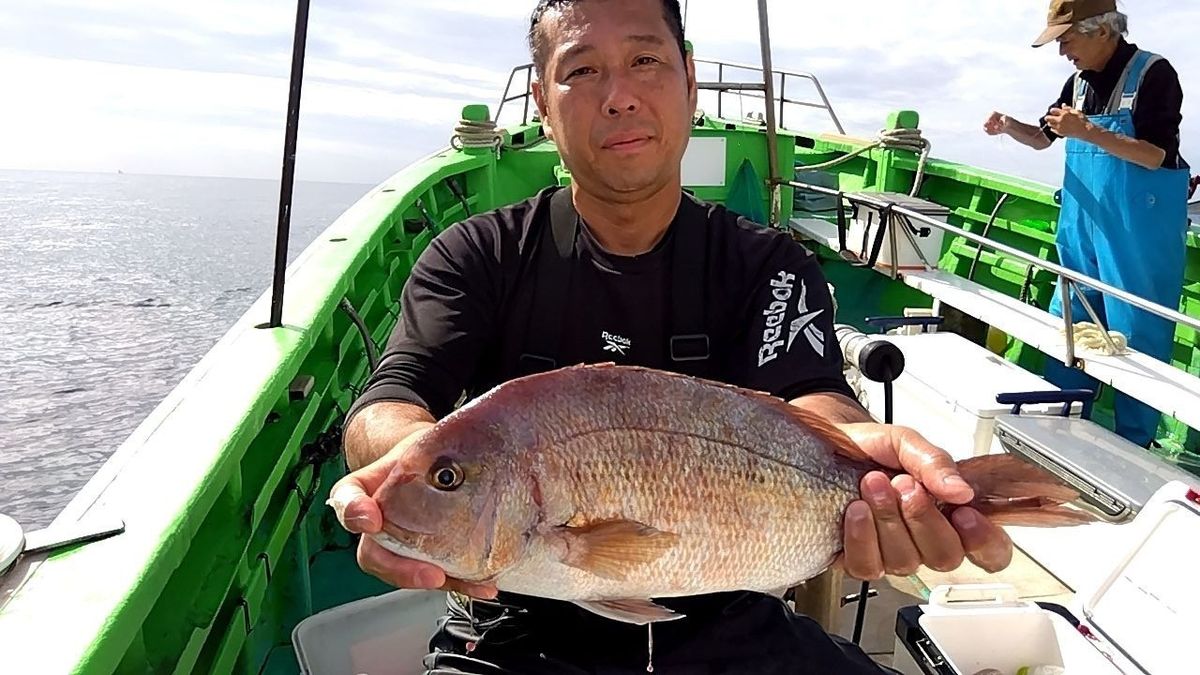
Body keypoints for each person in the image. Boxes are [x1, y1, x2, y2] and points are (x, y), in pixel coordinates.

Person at [330, 1, 1016, 672]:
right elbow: (394, 395)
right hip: (511, 629)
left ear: (688, 79)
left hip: (733, 617)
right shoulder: (476, 254)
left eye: (645, 60)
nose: (620, 96)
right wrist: (400, 477)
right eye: (583, 71)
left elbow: (811, 395)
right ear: (543, 99)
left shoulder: (767, 264)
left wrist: (866, 466)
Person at [984, 0, 1191, 447]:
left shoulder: (1155, 74)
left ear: (1102, 31)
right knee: (1070, 326)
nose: (1062, 51)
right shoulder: (1076, 83)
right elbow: (1044, 139)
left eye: (1066, 38)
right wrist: (1009, 126)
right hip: (1081, 233)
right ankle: (1062, 425)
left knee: (1138, 337)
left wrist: (1089, 133)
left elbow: (1155, 155)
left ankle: (1135, 447)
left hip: (1138, 235)